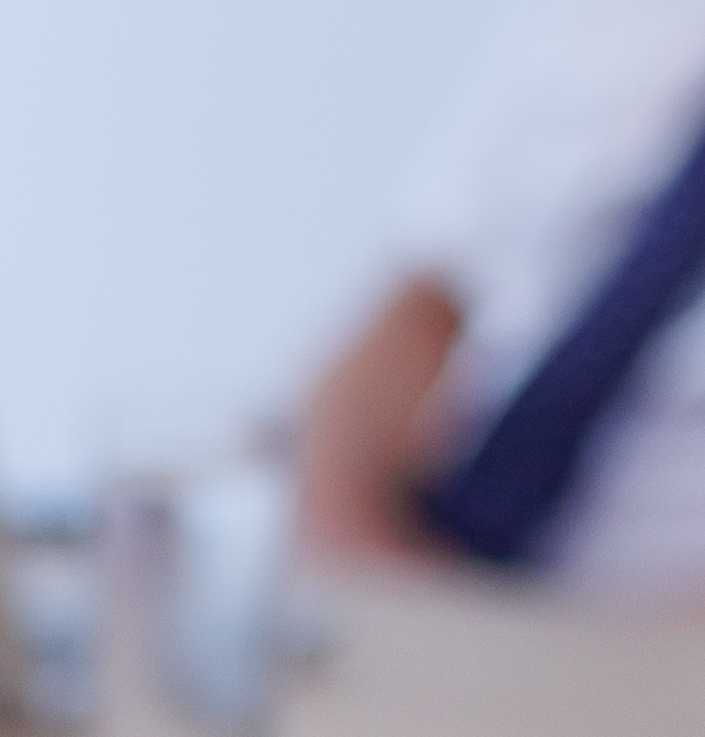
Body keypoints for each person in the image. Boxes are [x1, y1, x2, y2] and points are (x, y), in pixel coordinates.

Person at [299, 0, 705, 598]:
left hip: (630, 619)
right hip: (434, 568)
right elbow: (422, 298)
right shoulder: (611, 23)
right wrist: (363, 559)